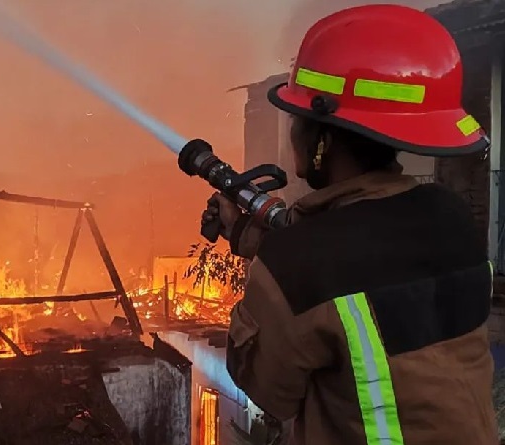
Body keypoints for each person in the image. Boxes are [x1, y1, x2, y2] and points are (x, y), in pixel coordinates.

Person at [204, 4, 498, 444]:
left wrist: (274, 267)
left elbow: (267, 389)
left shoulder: (302, 263)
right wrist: (261, 240)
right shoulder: (449, 215)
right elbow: (365, 264)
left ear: (321, 139)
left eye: (297, 118)